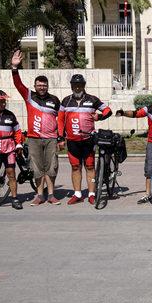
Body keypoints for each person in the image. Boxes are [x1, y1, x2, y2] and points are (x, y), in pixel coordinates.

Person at [10, 50, 62, 206]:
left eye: (44, 85)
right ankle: (39, 195)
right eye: (39, 85)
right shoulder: (29, 96)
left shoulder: (55, 100)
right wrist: (14, 67)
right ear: (35, 86)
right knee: (37, 169)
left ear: (47, 86)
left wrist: (60, 138)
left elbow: (60, 120)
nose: (42, 87)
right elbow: (17, 84)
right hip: (33, 139)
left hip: (51, 139)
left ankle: (51, 195)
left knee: (52, 168)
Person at [58, 74, 112, 205]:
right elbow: (60, 120)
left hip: (88, 140)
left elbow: (108, 111)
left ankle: (92, 194)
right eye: (75, 85)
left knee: (89, 167)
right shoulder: (65, 101)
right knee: (75, 167)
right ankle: (77, 194)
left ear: (84, 86)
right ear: (71, 86)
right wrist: (60, 137)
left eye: (80, 85)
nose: (77, 87)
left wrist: (99, 117)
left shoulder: (92, 99)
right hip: (72, 140)